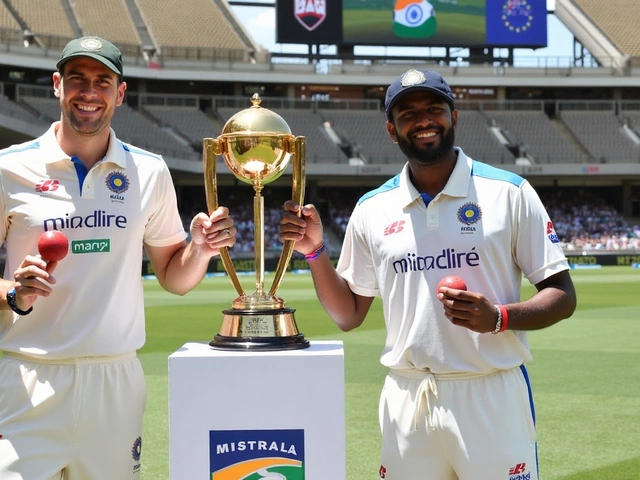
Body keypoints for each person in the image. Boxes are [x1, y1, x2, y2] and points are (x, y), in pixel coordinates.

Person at [278, 69, 577, 480]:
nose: (423, 120)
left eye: (434, 108)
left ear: (454, 116)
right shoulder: (372, 208)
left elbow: (562, 294)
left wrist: (499, 318)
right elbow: (348, 315)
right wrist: (313, 251)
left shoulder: (509, 192)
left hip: (490, 392)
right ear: (391, 128)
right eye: (408, 113)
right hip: (407, 397)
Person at [0, 36, 236, 479]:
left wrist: (200, 250)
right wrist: (14, 291)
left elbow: (173, 276)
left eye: (103, 81)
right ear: (57, 85)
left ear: (120, 93)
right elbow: (9, 289)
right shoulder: (8, 168)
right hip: (28, 376)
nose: (89, 92)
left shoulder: (148, 170)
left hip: (116, 379)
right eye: (77, 80)